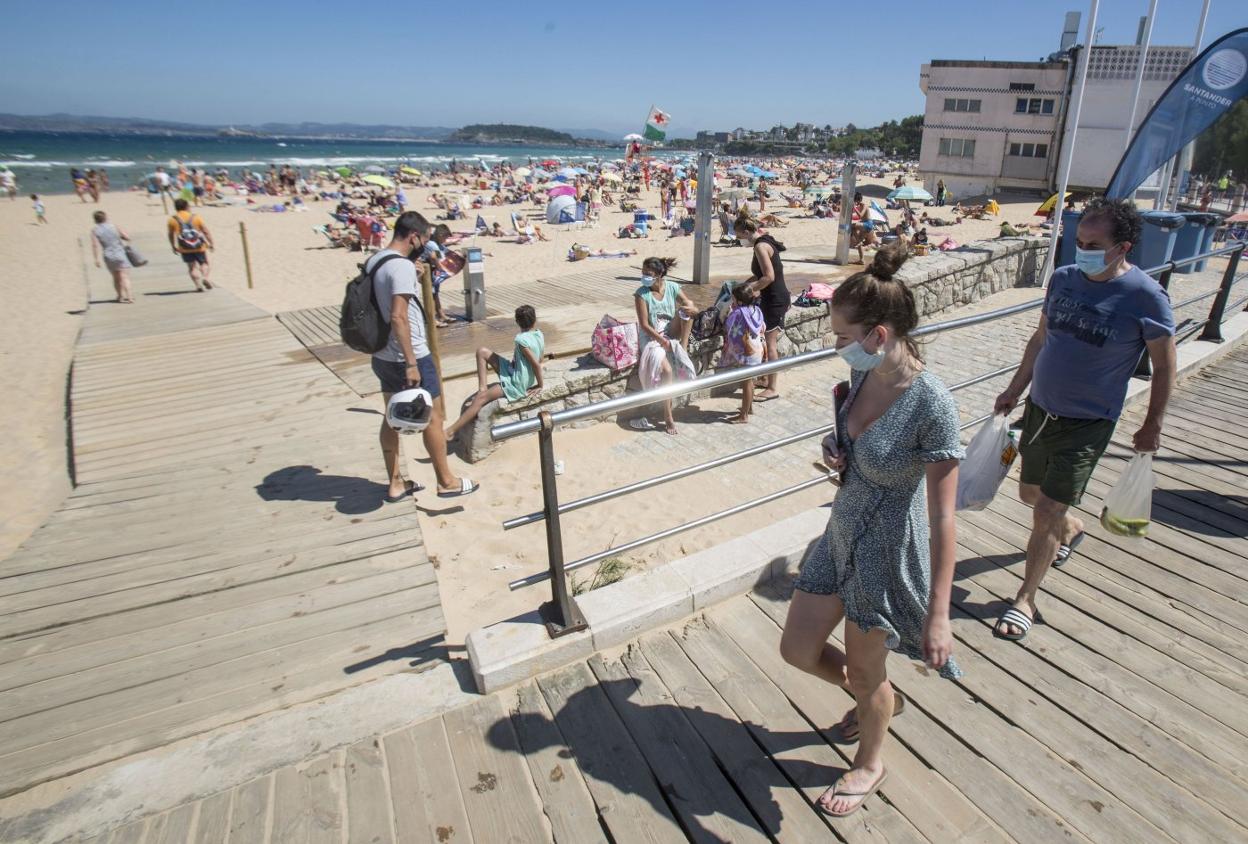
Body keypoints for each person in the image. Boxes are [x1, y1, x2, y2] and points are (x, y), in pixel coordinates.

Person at [780, 241, 962, 817]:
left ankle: (870, 761)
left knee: (864, 668)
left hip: (887, 547)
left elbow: (944, 516)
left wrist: (939, 614)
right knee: (799, 650)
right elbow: (860, 443)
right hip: (841, 531)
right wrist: (840, 449)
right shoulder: (864, 380)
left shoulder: (931, 402)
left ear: (878, 336)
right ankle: (880, 697)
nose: (837, 348)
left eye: (841, 338)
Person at [992, 198, 1175, 641]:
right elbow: (1040, 340)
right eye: (1079, 241)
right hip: (1039, 411)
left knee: (1048, 511)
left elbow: (1165, 366)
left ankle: (1025, 599)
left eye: (1093, 244)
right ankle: (1070, 529)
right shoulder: (1063, 279)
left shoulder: (1146, 297)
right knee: (1029, 494)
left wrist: (1152, 424)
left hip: (1088, 424)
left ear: (1122, 247)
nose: (1082, 250)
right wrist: (1015, 390)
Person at [370, 211, 478, 501]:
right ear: (414, 236)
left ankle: (395, 482)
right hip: (410, 353)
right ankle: (446, 481)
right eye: (426, 239)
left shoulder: (377, 260)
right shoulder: (401, 268)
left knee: (391, 417)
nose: (427, 246)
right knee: (433, 417)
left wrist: (414, 277)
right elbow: (398, 317)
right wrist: (411, 363)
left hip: (381, 353)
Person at [445, 305, 544, 440]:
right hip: (515, 371)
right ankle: (482, 388)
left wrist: (540, 385)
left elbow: (536, 364)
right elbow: (540, 359)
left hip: (517, 383)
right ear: (534, 320)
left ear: (517, 321)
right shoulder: (539, 334)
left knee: (480, 400)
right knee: (482, 351)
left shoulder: (521, 340)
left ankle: (451, 431)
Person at [631, 257, 695, 434]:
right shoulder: (641, 294)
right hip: (652, 336)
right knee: (666, 371)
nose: (644, 277)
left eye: (648, 274)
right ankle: (668, 414)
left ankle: (684, 345)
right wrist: (662, 342)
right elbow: (644, 325)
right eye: (643, 273)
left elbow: (690, 306)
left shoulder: (672, 287)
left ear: (660, 275)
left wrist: (693, 309)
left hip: (669, 331)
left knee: (687, 307)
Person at [735, 217, 789, 400]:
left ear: (747, 232)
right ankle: (766, 378)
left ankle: (772, 388)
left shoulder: (759, 247)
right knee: (766, 341)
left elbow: (768, 277)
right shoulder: (765, 241)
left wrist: (748, 291)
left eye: (738, 236)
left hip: (774, 299)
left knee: (771, 345)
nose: (738, 240)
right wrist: (745, 283)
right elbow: (760, 275)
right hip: (773, 297)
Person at [721, 284, 765, 424]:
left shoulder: (738, 313)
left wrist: (728, 313)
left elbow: (728, 325)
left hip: (747, 353)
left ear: (739, 300)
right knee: (750, 381)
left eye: (733, 298)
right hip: (757, 349)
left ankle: (743, 416)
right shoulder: (756, 309)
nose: (732, 300)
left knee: (746, 383)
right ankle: (749, 408)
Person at [166, 198, 214, 291]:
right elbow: (205, 231)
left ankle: (198, 285)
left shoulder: (172, 219)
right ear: (186, 206)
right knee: (204, 264)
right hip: (199, 246)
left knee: (191, 267)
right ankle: (205, 277)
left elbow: (171, 235)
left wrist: (173, 246)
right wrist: (211, 243)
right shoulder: (196, 217)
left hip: (184, 247)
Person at [90, 210, 134, 303]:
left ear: (95, 220)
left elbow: (95, 245)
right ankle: (129, 297)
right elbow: (127, 237)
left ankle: (120, 296)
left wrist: (96, 259)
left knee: (116, 277)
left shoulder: (95, 230)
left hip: (108, 255)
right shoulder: (114, 226)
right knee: (124, 276)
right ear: (105, 218)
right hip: (120, 253)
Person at [422, 224, 453, 327]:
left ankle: (441, 315)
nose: (446, 240)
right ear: (440, 235)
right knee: (430, 295)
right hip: (427, 271)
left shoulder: (438, 244)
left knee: (435, 294)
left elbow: (447, 252)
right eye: (445, 237)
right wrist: (442, 269)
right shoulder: (432, 244)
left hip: (433, 271)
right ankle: (432, 320)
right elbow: (434, 257)